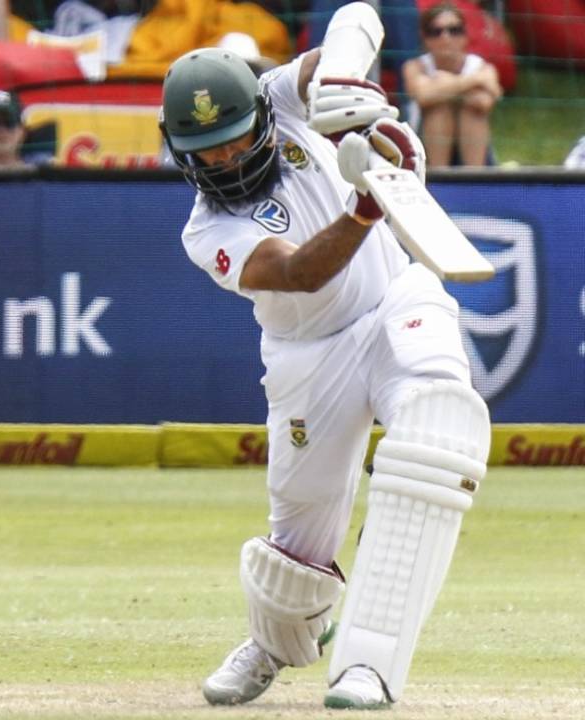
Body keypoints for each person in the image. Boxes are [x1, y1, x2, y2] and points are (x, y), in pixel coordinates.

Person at [158, 1, 490, 710]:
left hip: (397, 298)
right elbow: (301, 271)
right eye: (205, 148)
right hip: (308, 356)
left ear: (261, 112)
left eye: (233, 137)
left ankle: (367, 663)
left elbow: (357, 17)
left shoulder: (278, 92)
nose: (223, 157)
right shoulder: (206, 230)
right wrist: (367, 206)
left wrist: (344, 89)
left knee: (439, 426)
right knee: (297, 547)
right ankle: (275, 643)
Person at [402, 2, 501, 168]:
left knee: (473, 112)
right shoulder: (414, 66)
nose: (446, 38)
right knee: (438, 110)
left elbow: (484, 102)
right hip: (425, 146)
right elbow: (423, 96)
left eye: (454, 30)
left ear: (464, 36)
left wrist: (443, 85)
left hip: (473, 144)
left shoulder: (481, 66)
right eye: (436, 32)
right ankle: (440, 181)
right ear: (425, 38)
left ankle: (474, 181)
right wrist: (473, 81)